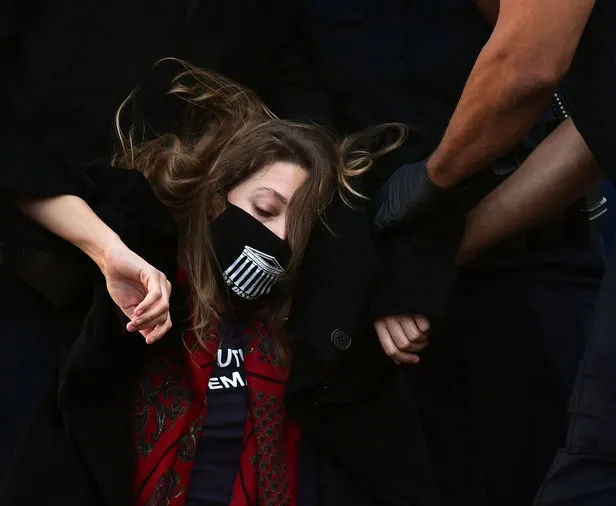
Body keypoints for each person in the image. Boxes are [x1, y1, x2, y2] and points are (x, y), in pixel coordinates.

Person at [0, 62, 434, 505]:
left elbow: (429, 178)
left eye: (299, 228)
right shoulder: (150, 272)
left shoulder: (319, 318)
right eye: (265, 210)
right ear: (214, 202)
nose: (279, 238)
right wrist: (108, 252)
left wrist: (405, 286)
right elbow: (21, 172)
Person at [0, 0, 332, 476]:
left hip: (163, 301)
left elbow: (304, 123)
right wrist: (102, 245)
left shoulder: (255, 19)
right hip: (35, 289)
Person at [296, 2, 605, 505]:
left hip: (523, 270)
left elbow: (590, 117)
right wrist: (371, 266)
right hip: (362, 299)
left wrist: (433, 252)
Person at [372, 0, 616, 504]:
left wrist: (433, 183)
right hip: (395, 295)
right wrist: (428, 252)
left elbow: (528, 68)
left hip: (543, 269)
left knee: (601, 466)